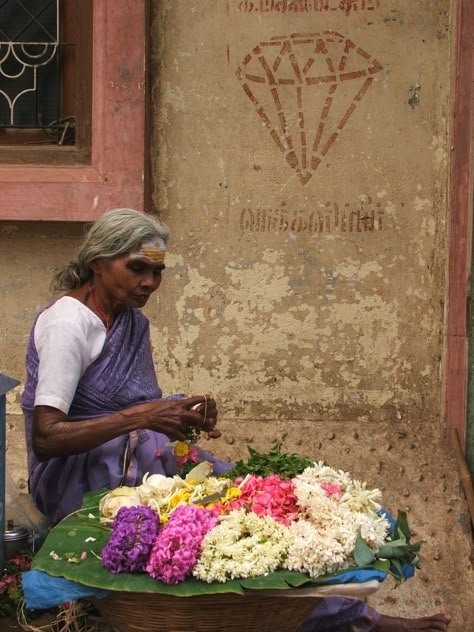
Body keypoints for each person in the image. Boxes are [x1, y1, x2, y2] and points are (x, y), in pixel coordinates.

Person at [21, 209, 450, 632]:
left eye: (158, 271)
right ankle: (355, 622)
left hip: (137, 463)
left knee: (262, 502)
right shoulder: (67, 323)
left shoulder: (132, 322)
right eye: (137, 268)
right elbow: (47, 437)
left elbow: (135, 407)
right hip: (78, 480)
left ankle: (353, 615)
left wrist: (180, 416)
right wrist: (147, 415)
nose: (150, 282)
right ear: (98, 262)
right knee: (213, 532)